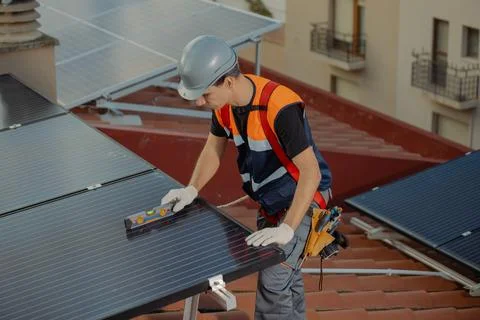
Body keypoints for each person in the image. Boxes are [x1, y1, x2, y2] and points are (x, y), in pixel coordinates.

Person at [161, 35, 332, 320]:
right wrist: (191, 188)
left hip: (306, 197)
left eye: (205, 93)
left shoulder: (280, 106)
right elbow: (213, 149)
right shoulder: (224, 106)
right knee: (288, 276)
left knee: (274, 278)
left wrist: (288, 227)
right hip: (273, 202)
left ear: (228, 82)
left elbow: (310, 172)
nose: (200, 101)